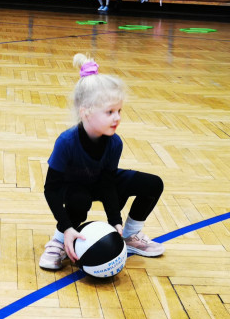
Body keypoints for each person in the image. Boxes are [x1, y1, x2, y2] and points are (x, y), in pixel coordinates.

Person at [39, 53, 166, 271]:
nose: (117, 117)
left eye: (119, 111)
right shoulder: (66, 142)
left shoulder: (114, 142)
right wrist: (67, 226)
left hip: (99, 183)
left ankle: (130, 236)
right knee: (79, 201)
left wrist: (115, 220)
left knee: (153, 184)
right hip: (75, 188)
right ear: (85, 112)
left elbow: (107, 182)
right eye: (109, 112)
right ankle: (60, 240)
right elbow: (51, 190)